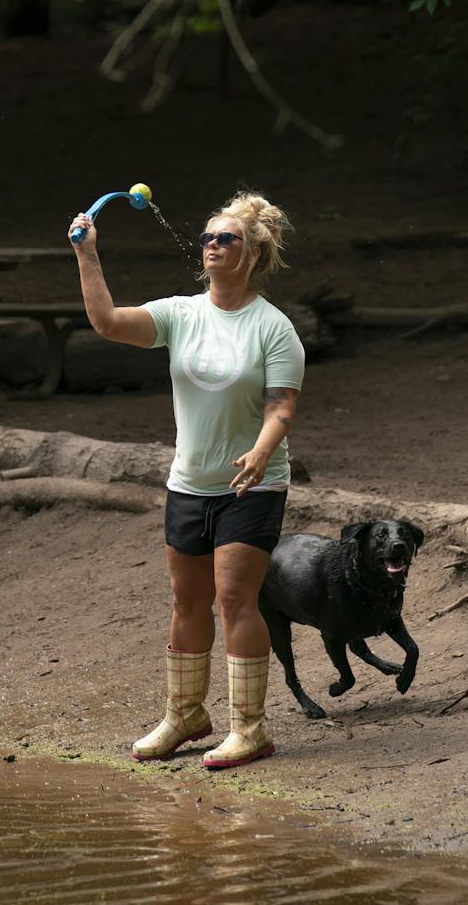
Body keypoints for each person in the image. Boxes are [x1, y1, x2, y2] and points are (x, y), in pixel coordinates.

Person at [68, 190, 304, 769]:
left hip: (254, 485)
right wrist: (87, 256)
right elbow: (105, 322)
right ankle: (185, 715)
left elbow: (281, 409)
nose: (213, 246)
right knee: (186, 598)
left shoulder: (274, 329)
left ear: (253, 253)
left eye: (227, 238)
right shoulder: (181, 313)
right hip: (188, 484)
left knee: (233, 597)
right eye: (208, 238)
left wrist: (259, 451)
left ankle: (249, 728)